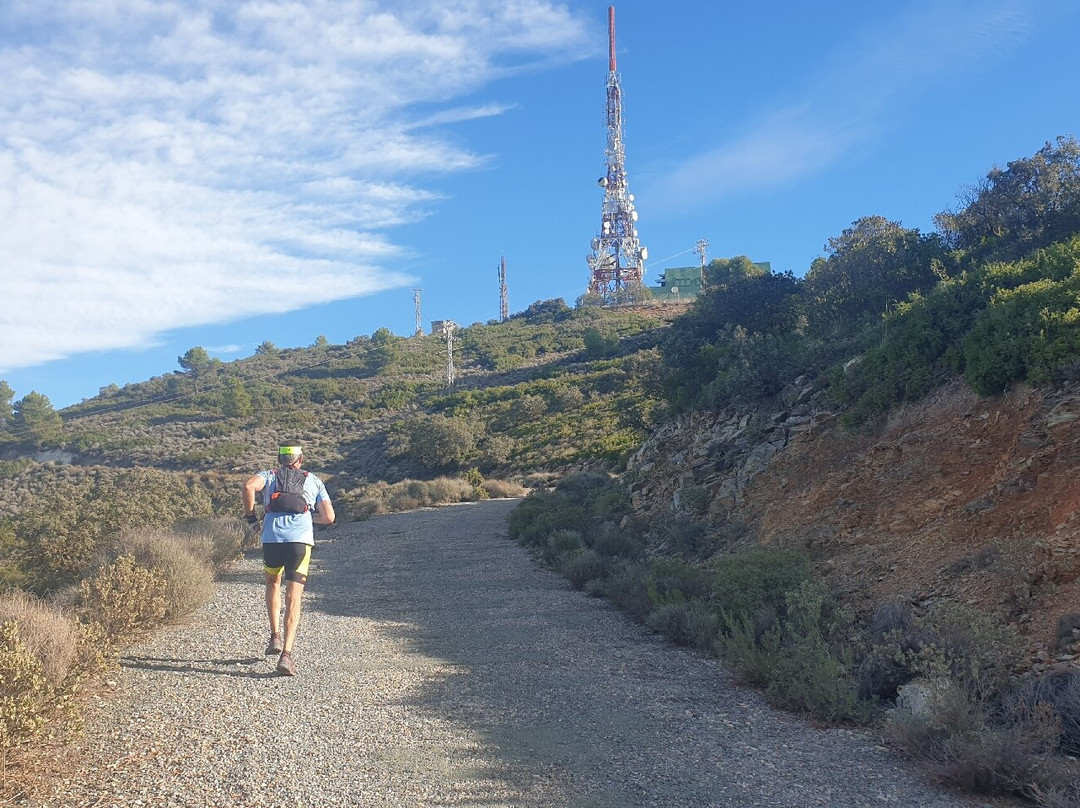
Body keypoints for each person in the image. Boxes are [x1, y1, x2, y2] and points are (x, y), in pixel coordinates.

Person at [242, 444, 335, 676]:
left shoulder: (269, 475)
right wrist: (307, 517)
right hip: (300, 543)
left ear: (281, 459)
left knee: (273, 583)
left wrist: (251, 518)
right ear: (300, 459)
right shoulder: (313, 480)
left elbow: (248, 486)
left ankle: (274, 636)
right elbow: (329, 517)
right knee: (294, 595)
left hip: (272, 540)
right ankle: (286, 654)